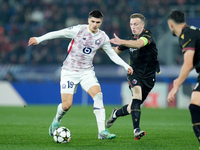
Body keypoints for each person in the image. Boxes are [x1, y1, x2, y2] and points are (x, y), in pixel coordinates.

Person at [28, 10, 133, 139]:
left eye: (98, 22)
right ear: (88, 20)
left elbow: (112, 54)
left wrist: (126, 66)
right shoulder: (78, 30)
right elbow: (58, 33)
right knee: (66, 105)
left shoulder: (102, 37)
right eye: (93, 21)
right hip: (69, 71)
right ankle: (56, 121)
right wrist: (39, 39)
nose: (94, 24)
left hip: (87, 72)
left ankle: (102, 132)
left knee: (98, 95)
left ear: (101, 22)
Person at [106, 13, 160, 140]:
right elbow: (114, 52)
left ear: (142, 25)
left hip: (149, 76)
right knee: (137, 95)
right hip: (133, 72)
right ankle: (136, 130)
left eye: (136, 24)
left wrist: (122, 41)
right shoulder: (129, 39)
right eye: (131, 24)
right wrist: (99, 47)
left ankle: (116, 113)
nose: (133, 27)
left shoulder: (148, 35)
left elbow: (139, 44)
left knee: (132, 107)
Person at [167, 10, 200, 147]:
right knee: (195, 106)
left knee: (195, 107)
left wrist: (176, 86)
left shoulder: (186, 35)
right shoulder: (194, 31)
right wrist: (179, 78)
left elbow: (188, 63)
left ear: (171, 24)